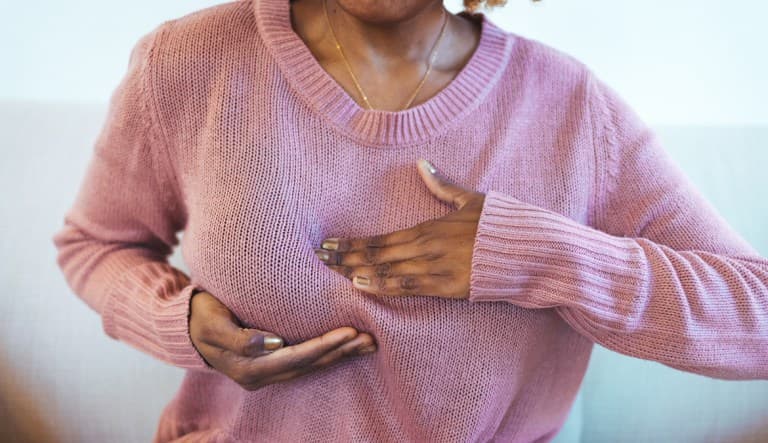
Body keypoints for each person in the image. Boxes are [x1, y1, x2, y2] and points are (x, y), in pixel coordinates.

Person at [51, 0, 768, 441]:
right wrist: (181, 323)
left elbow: (757, 316)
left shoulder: (571, 108)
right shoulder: (187, 63)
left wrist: (537, 256)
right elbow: (96, 244)